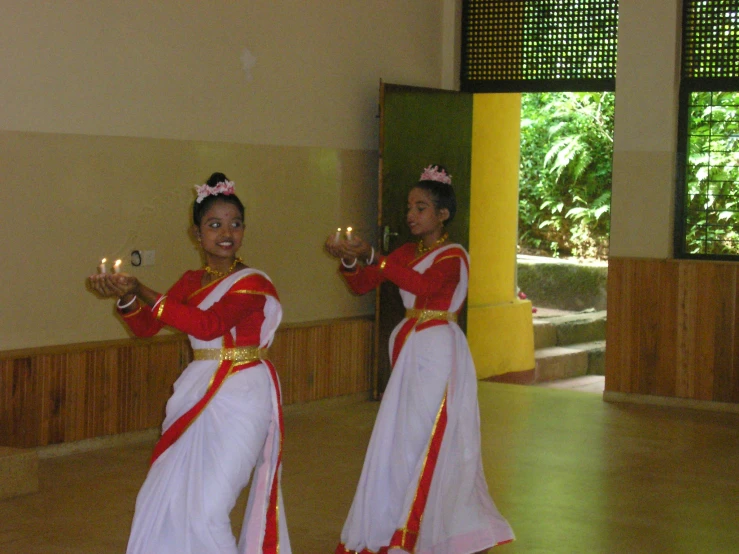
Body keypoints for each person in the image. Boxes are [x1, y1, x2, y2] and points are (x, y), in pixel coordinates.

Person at [88, 172, 291, 554]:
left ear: (244, 230)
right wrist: (125, 298)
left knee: (208, 511)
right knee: (171, 499)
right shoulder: (191, 281)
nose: (225, 232)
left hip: (243, 393)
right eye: (214, 225)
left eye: (235, 223)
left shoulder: (253, 283)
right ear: (197, 234)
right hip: (198, 388)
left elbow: (208, 324)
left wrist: (141, 289)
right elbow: (147, 327)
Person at [324, 165, 514, 554]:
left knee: (427, 436)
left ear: (442, 214)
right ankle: (401, 518)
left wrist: (375, 255)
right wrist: (348, 259)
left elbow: (425, 287)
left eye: (421, 207)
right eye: (410, 206)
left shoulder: (454, 255)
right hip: (412, 351)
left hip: (439, 350)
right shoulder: (407, 252)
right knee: (402, 439)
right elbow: (363, 283)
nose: (411, 214)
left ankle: (436, 525)